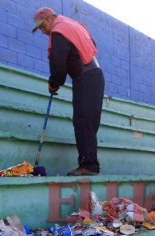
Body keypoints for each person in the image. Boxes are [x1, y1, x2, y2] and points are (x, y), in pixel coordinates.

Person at [32, 7, 105, 176]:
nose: (43, 32)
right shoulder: (73, 24)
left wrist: (53, 83)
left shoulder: (58, 30)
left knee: (82, 120)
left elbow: (58, 64)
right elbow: (92, 45)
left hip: (85, 77)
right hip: (95, 75)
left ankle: (89, 165)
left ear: (50, 18)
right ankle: (91, 163)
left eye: (42, 27)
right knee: (88, 121)